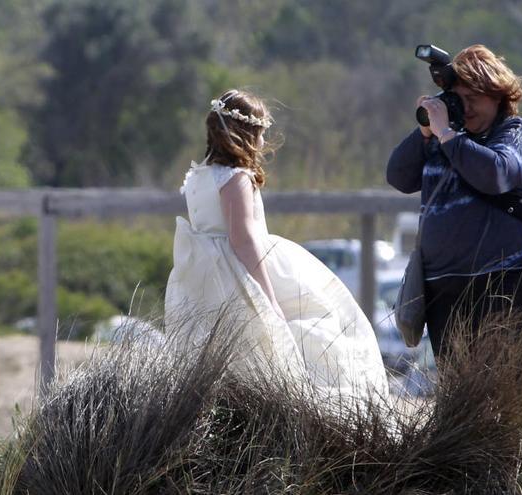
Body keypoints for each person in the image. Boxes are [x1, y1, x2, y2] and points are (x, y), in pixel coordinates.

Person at [165, 89, 388, 401]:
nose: (261, 141)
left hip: (203, 273)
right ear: (247, 134)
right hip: (236, 271)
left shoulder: (197, 177)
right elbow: (242, 239)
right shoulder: (235, 177)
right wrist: (267, 297)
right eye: (260, 133)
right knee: (301, 323)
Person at [387, 45, 522, 359]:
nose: (467, 108)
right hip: (445, 290)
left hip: (508, 284)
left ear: (500, 97)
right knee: (458, 394)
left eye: (474, 98)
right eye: (459, 99)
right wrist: (425, 132)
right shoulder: (441, 139)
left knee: (507, 387)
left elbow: (495, 174)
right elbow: (398, 176)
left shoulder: (518, 133)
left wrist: (448, 135)